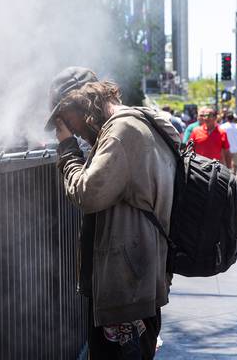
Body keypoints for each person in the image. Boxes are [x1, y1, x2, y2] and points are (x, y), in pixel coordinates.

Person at [46, 67, 179, 359]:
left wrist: (68, 149)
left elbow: (87, 193)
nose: (70, 128)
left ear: (78, 104)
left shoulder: (122, 132)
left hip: (127, 288)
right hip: (137, 281)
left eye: (65, 119)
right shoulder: (136, 122)